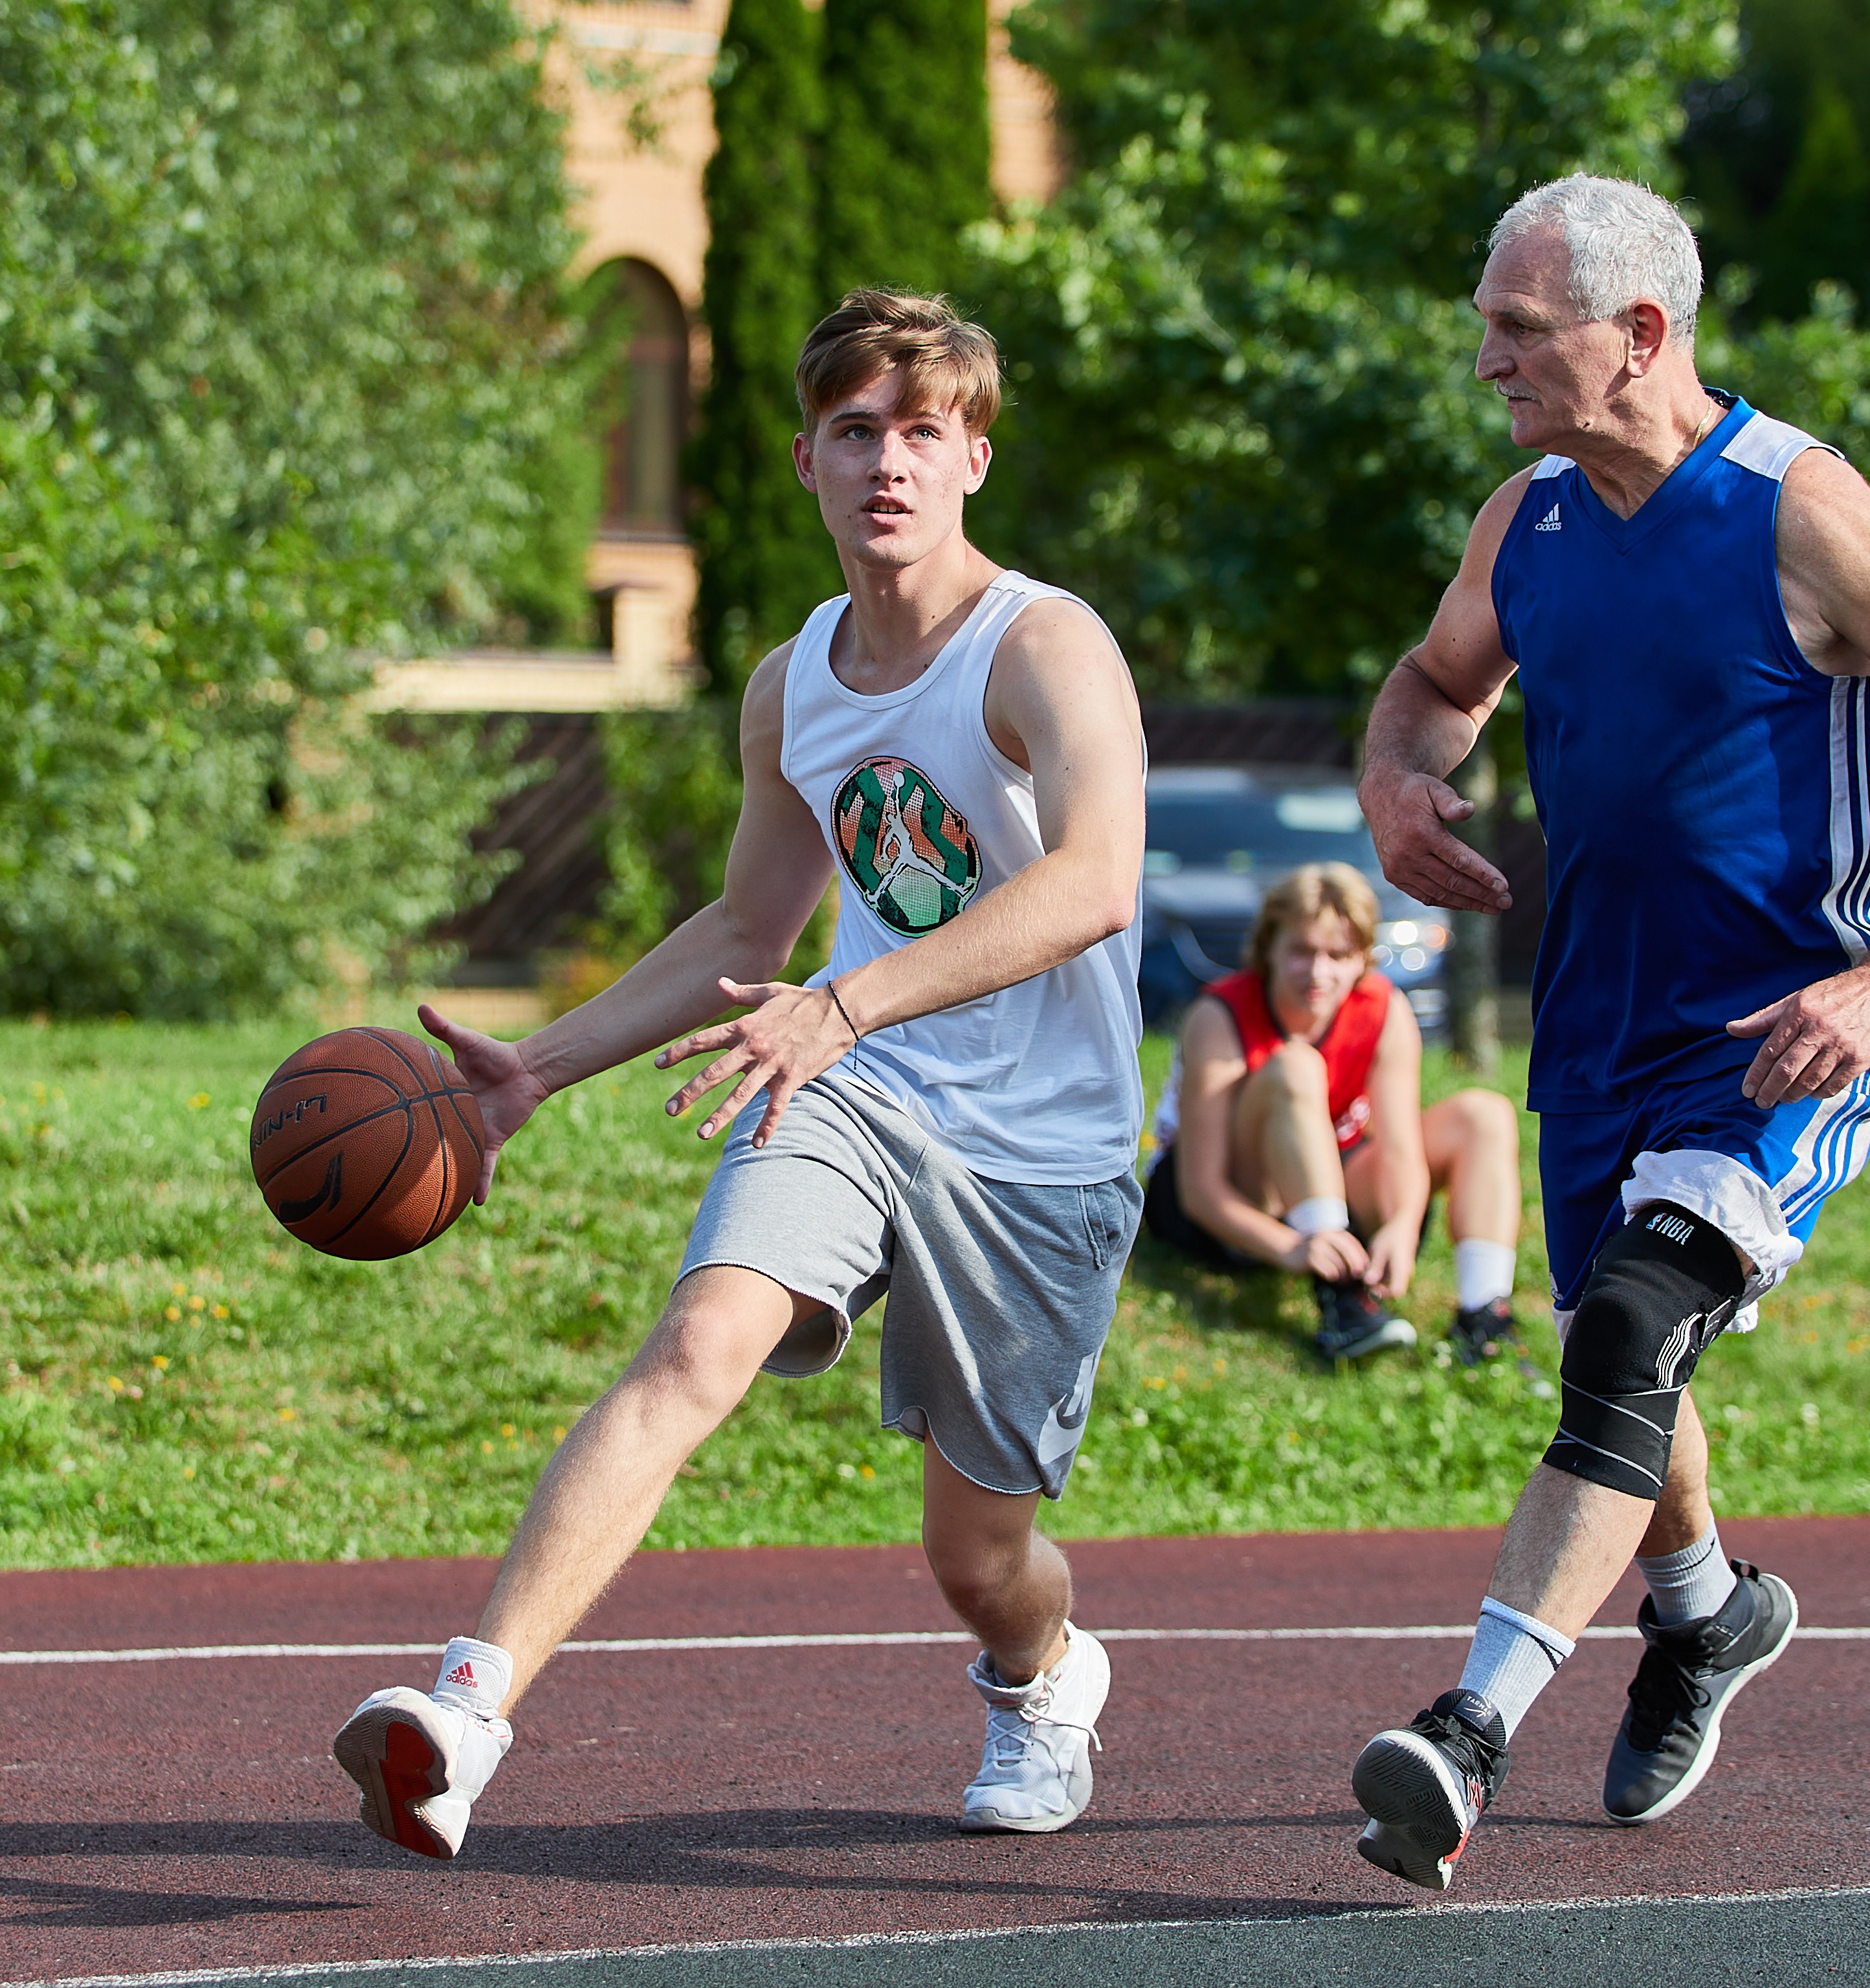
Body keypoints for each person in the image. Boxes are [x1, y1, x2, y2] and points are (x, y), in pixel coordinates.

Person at [329, 289, 1151, 1857]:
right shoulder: (793, 686)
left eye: (924, 432)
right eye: (857, 431)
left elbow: (1097, 881)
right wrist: (535, 1071)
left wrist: (844, 1000)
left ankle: (1043, 1672)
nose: (889, 462)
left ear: (974, 458)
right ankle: (466, 1713)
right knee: (694, 1346)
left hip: (1041, 1144)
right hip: (858, 1088)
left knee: (980, 1560)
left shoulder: (1043, 645)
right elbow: (744, 926)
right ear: (805, 460)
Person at [1343, 176, 1870, 1891]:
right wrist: (1395, 783)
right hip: (1592, 1030)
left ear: (1641, 333)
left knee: (1631, 1327)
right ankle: (1706, 1608)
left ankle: (1468, 1730)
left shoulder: (1810, 517)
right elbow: (1437, 686)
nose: (1486, 361)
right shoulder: (1525, 520)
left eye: (1518, 330)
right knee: (1619, 1349)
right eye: (1486, 324)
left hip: (1778, 1041)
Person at [1141, 861, 1525, 1367]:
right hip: (1227, 1204)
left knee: (1485, 1113)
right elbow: (1200, 1192)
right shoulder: (1220, 1014)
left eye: (1338, 955)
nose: (1318, 972)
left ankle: (1485, 1317)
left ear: (1363, 957)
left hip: (1328, 1180)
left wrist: (1402, 1225)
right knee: (1297, 1066)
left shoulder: (1382, 1008)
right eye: (1302, 951)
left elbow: (1400, 1148)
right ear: (1269, 948)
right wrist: (1288, 1248)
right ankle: (1340, 1291)